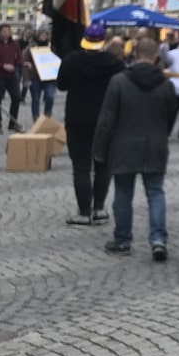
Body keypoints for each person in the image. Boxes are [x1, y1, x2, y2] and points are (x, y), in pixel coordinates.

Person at [91, 38, 178, 258]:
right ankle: (158, 240)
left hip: (124, 144)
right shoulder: (167, 84)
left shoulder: (119, 81)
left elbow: (106, 119)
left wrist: (99, 149)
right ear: (157, 56)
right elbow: (171, 116)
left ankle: (122, 240)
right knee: (156, 193)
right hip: (156, 144)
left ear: (134, 55)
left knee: (123, 193)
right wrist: (161, 134)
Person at [57, 22, 125, 225]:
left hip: (77, 119)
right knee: (103, 166)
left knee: (81, 167)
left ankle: (84, 211)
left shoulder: (71, 60)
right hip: (106, 120)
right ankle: (99, 208)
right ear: (104, 40)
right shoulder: (115, 63)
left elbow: (61, 85)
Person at [22, 29, 56, 120]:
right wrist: (26, 78)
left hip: (49, 77)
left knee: (50, 97)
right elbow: (25, 61)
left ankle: (47, 115)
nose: (44, 37)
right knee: (35, 99)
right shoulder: (31, 47)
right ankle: (36, 118)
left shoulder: (52, 47)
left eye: (45, 35)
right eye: (42, 35)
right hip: (35, 77)